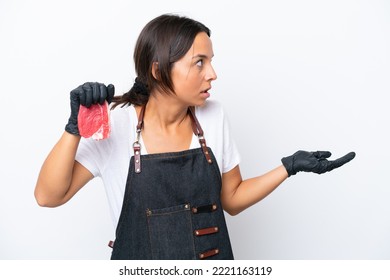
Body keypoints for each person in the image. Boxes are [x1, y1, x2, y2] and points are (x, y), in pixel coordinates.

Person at [34, 14, 355, 260]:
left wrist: (288, 167)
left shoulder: (213, 117)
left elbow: (231, 200)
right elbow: (49, 196)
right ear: (159, 70)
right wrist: (74, 128)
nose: (212, 73)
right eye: (199, 62)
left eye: (211, 61)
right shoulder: (117, 125)